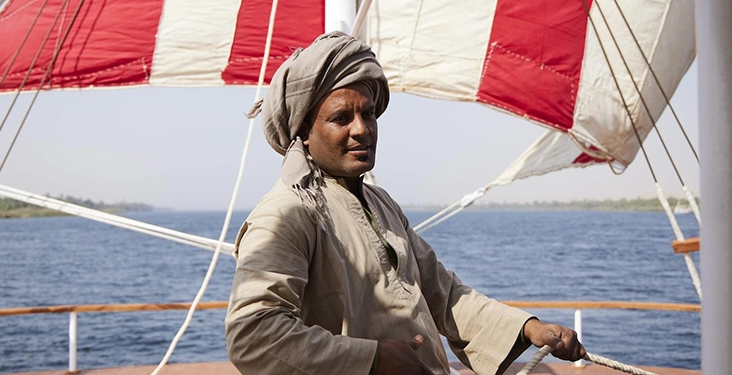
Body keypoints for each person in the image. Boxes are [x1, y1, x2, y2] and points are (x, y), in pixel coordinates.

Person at [225, 32, 584, 375]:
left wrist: (528, 328)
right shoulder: (286, 212)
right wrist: (374, 360)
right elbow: (253, 335)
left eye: (368, 114)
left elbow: (442, 293)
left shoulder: (381, 203)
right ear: (303, 132)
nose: (362, 129)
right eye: (341, 118)